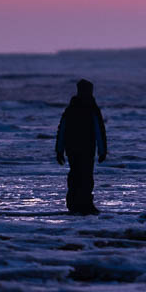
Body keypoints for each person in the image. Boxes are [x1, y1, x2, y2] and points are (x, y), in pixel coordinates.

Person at [55, 78, 108, 215]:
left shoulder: (71, 108)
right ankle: (84, 205)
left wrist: (59, 150)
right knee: (85, 177)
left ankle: (74, 204)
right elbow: (99, 131)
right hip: (86, 149)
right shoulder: (91, 108)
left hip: (72, 149)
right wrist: (102, 151)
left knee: (75, 175)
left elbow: (62, 130)